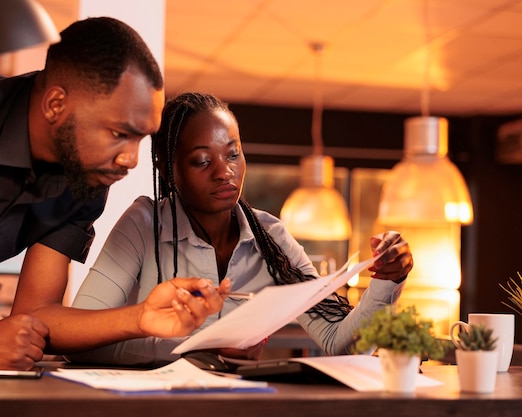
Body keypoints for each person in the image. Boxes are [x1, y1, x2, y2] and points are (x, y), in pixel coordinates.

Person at [0, 18, 226, 369]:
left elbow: (36, 314)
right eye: (119, 133)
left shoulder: (84, 179)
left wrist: (141, 317)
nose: (130, 160)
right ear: (56, 105)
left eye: (140, 139)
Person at [66, 92, 414, 366]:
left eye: (232, 154)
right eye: (203, 161)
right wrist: (201, 352)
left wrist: (386, 281)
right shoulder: (143, 224)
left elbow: (341, 344)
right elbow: (76, 340)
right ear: (168, 168)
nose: (224, 172)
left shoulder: (271, 239)